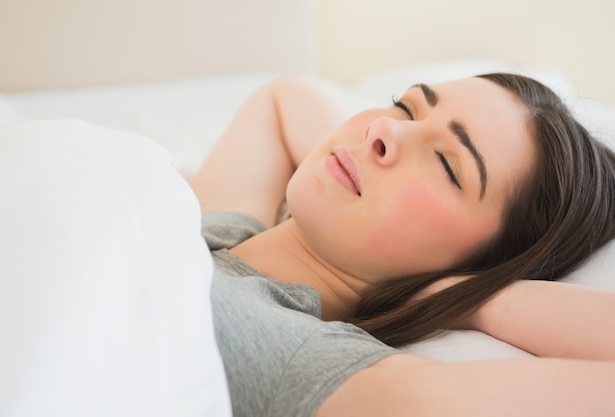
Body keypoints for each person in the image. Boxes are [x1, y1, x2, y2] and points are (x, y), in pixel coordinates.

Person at [191, 73, 615, 417]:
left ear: (474, 266)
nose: (383, 129)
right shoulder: (226, 231)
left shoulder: (294, 360)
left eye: (447, 164)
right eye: (406, 106)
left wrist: (472, 296)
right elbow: (283, 97)